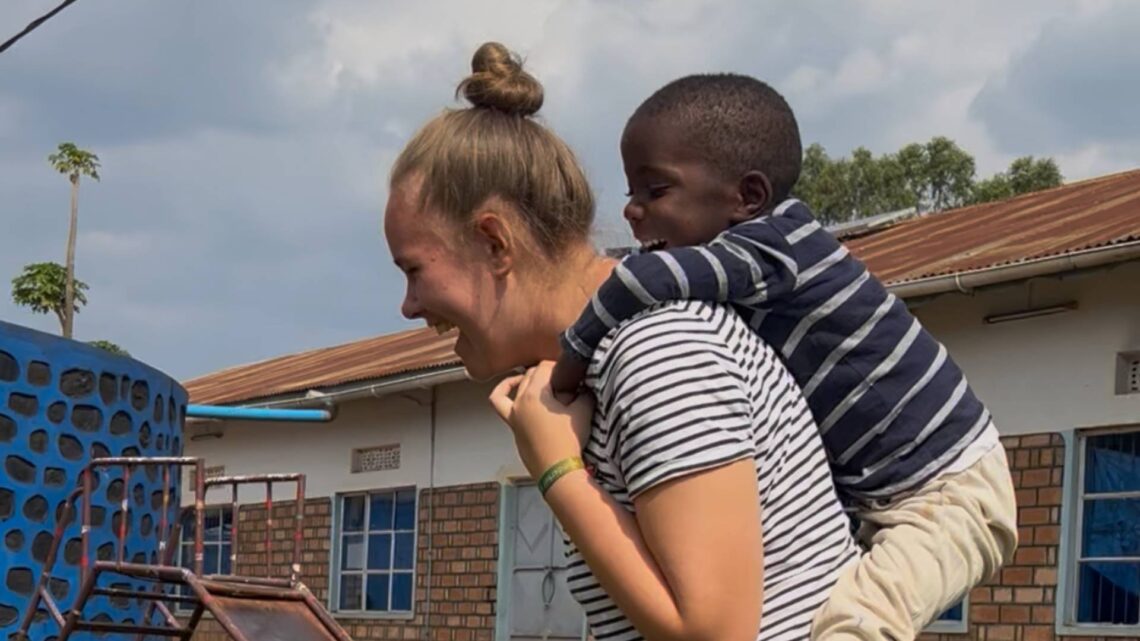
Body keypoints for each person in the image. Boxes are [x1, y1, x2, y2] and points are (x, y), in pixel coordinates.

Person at [383, 42, 858, 641]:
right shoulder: (609, 354)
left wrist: (557, 471)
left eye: (414, 270)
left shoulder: (654, 349)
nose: (408, 306)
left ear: (495, 243)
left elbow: (715, 632)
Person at [548, 72, 1019, 639]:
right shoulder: (745, 264)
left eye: (655, 191)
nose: (631, 210)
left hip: (951, 494)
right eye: (630, 193)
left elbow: (645, 278)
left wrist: (571, 356)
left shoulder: (777, 248)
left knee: (857, 623)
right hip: (884, 492)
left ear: (748, 197)